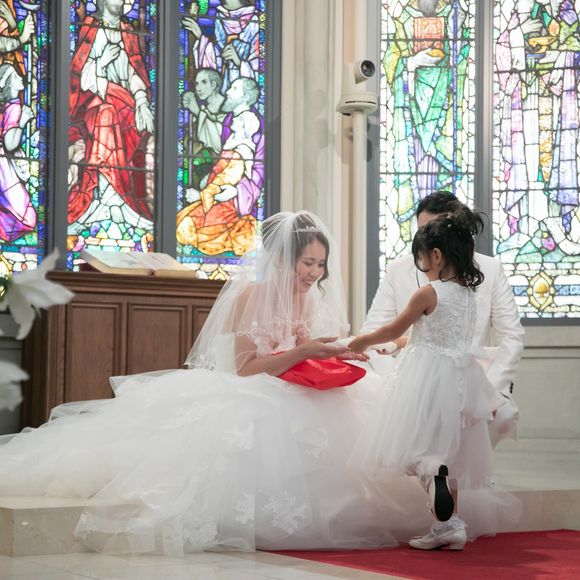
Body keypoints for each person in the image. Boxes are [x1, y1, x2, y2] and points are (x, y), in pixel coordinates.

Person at [0, 211, 431, 556]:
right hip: (253, 386)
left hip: (288, 381)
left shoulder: (306, 297)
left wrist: (338, 351)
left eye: (320, 264)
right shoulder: (250, 296)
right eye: (307, 263)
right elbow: (247, 368)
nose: (315, 273)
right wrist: (305, 353)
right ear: (282, 259)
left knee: (351, 401)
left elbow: (303, 345)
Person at [349, 208, 521, 550]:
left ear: (437, 256)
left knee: (415, 444)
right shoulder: (469, 295)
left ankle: (432, 474)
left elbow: (394, 329)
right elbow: (438, 335)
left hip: (425, 375)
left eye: (422, 258)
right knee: (451, 453)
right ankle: (448, 526)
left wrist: (362, 341)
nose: (421, 266)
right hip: (461, 378)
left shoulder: (429, 292)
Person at [363, 192, 524, 446]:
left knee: (494, 418)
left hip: (470, 378)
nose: (428, 241)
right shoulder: (397, 270)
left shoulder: (490, 269)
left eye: (436, 231)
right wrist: (399, 385)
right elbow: (375, 330)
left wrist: (488, 391)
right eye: (422, 231)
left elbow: (511, 338)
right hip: (412, 378)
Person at [67, 0, 155, 240]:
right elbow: (80, 77)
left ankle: (123, 201)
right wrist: (102, 62)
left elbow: (133, 72)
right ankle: (105, 198)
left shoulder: (127, 31)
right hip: (91, 106)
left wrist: (142, 102)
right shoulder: (90, 27)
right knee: (106, 114)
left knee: (123, 118)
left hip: (125, 103)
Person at [176, 77, 264, 256]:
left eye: (234, 88)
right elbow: (219, 157)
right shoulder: (229, 121)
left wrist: (237, 191)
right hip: (216, 192)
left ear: (246, 97)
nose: (228, 92)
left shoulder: (257, 128)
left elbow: (257, 173)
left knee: (191, 227)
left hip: (234, 201)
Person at [0, 63, 36, 242]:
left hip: (5, 165)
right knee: (28, 219)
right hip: (3, 167)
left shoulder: (11, 105)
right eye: (16, 76)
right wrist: (22, 122)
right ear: (7, 83)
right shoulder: (14, 107)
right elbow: (9, 143)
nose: (21, 77)